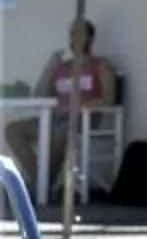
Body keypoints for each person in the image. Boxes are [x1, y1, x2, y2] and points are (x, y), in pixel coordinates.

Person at [5, 17, 117, 197]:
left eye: (78, 34)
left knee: (61, 131)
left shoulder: (100, 65)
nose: (73, 38)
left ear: (89, 38)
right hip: (54, 118)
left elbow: (108, 100)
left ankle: (41, 187)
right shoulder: (62, 67)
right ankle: (39, 183)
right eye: (71, 34)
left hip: (83, 119)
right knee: (13, 130)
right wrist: (49, 68)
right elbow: (39, 96)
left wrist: (77, 107)